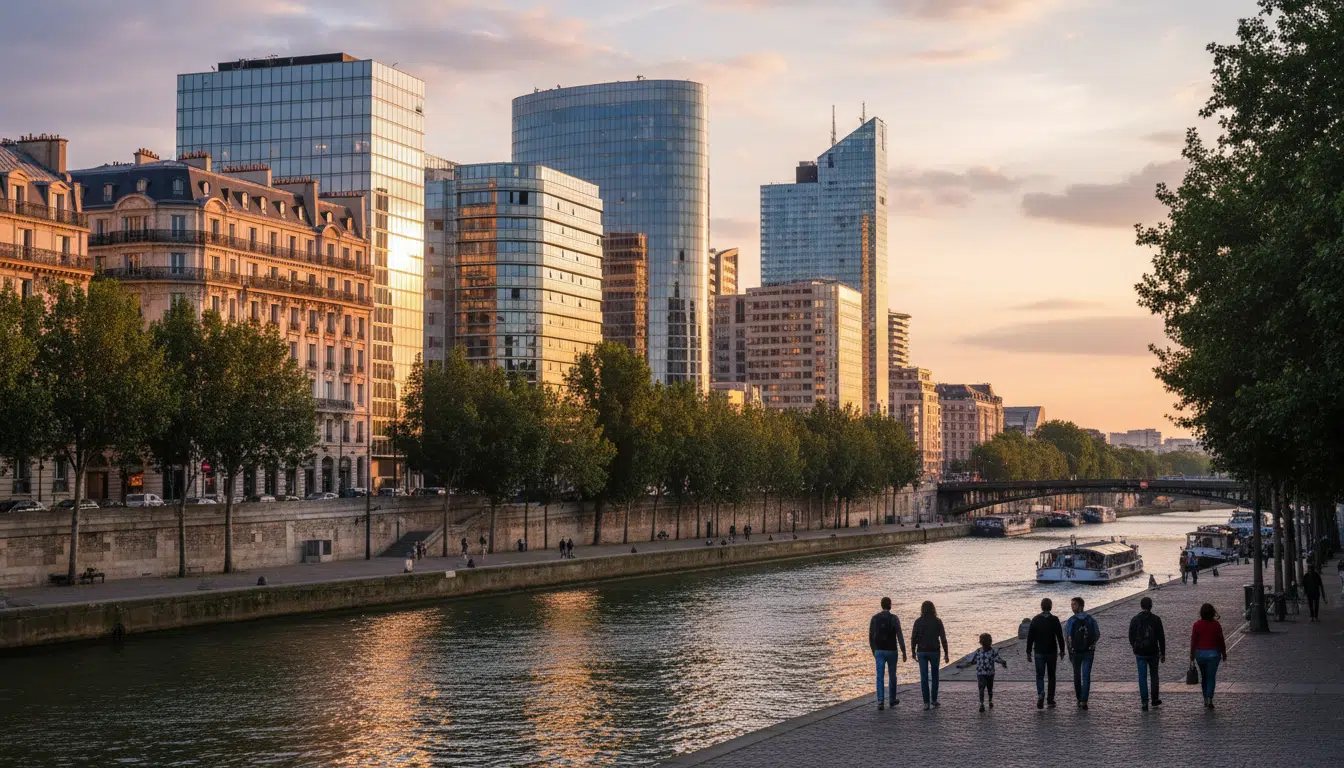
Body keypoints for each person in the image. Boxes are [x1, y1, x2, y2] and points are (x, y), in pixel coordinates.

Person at [1025, 597, 1066, 709]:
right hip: (1052, 652)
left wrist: (1028, 651)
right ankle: (1050, 699)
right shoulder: (1055, 620)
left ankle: (1041, 693)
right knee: (1052, 676)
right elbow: (1060, 637)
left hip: (1039, 652)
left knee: (1040, 675)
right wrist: (1062, 650)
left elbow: (1030, 637)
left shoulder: (1035, 619)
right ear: (1051, 607)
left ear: (1041, 607)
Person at [1128, 596, 1167, 711]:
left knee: (1142, 677)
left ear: (1141, 606)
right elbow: (1161, 637)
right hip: (1153, 651)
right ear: (1151, 606)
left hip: (1140, 652)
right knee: (1154, 675)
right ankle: (1155, 699)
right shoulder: (1156, 619)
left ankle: (1144, 701)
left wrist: (1134, 646)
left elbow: (1131, 636)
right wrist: (1163, 652)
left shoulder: (1135, 619)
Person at [868, 597, 907, 710]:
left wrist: (874, 651)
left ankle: (880, 701)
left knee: (879, 676)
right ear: (890, 605)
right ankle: (892, 699)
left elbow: (870, 636)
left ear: (881, 605)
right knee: (892, 675)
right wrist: (903, 651)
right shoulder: (894, 618)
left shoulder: (874, 618)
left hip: (879, 650)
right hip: (892, 650)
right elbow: (899, 635)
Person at [909, 600, 949, 710]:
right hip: (934, 651)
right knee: (935, 676)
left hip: (921, 651)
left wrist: (913, 651)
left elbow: (913, 637)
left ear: (922, 609)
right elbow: (943, 638)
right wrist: (946, 653)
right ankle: (934, 700)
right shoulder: (937, 621)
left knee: (924, 677)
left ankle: (926, 703)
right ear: (933, 609)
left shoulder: (918, 621)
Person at [1064, 596, 1100, 709]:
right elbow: (1097, 634)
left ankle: (1079, 698)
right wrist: (1092, 644)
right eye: (1071, 604)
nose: (1072, 606)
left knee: (1076, 675)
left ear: (1080, 606)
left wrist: (1070, 650)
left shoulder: (1071, 620)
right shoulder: (1091, 619)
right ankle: (1084, 700)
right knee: (1086, 675)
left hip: (1076, 652)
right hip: (1089, 651)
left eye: (1074, 604)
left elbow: (1068, 636)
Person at [1191, 603, 1227, 708]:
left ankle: (1205, 698)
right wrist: (1223, 653)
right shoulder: (1216, 625)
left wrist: (1192, 655)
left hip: (1200, 654)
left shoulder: (1197, 625)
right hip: (1214, 654)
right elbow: (1221, 640)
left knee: (1204, 677)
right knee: (1211, 677)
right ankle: (1210, 698)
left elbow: (1194, 641)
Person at [970, 633, 1007, 712]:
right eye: (983, 641)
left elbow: (998, 659)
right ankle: (982, 704)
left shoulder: (992, 652)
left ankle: (989, 701)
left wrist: (1003, 662)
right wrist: (966, 664)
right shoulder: (978, 651)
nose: (984, 643)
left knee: (988, 688)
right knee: (982, 688)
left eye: (985, 641)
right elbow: (973, 661)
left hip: (989, 674)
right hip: (981, 674)